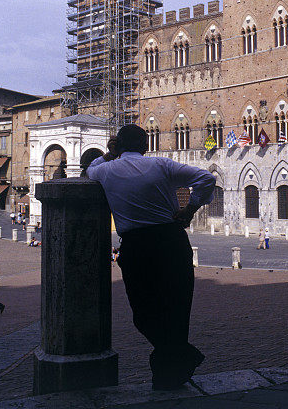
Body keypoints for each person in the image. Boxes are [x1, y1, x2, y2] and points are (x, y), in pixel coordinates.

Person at [87, 124, 216, 391]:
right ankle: (176, 366)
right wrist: (190, 208)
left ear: (118, 147)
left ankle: (171, 374)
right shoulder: (162, 165)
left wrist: (109, 154)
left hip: (137, 248)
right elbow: (206, 178)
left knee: (143, 313)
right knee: (177, 309)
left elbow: (89, 168)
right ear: (145, 146)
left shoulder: (105, 170)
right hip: (173, 242)